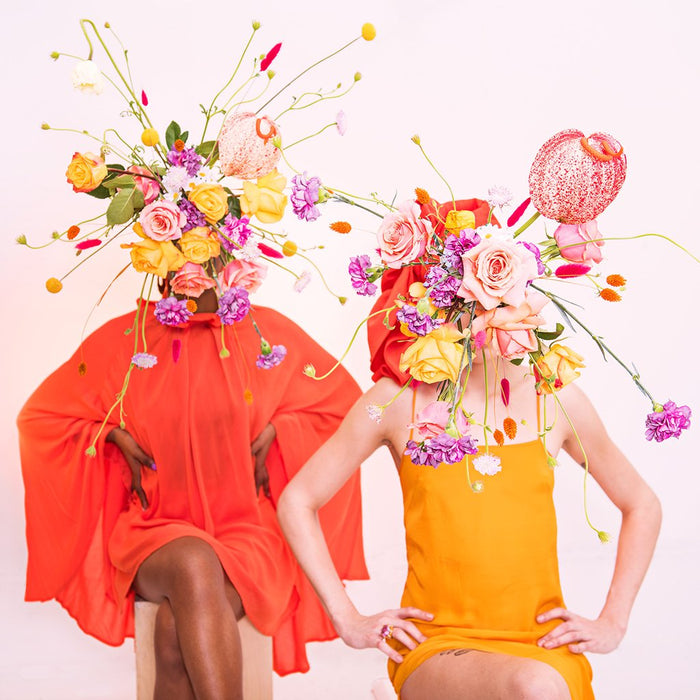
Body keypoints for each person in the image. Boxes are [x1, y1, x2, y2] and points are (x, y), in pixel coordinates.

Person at [277, 199, 662, 700]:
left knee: (537, 681)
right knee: (534, 688)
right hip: (439, 644)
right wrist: (347, 617)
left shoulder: (557, 397)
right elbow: (297, 499)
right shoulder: (394, 403)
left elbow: (643, 504)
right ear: (434, 306)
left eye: (498, 304)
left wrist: (613, 620)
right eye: (466, 306)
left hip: (542, 642)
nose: (482, 321)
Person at [18, 287, 368, 700]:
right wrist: (106, 433)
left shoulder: (264, 334)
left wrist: (281, 429)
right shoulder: (127, 340)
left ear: (228, 249)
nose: (189, 263)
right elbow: (40, 418)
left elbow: (346, 409)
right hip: (154, 532)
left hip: (248, 534)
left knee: (172, 630)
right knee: (193, 561)